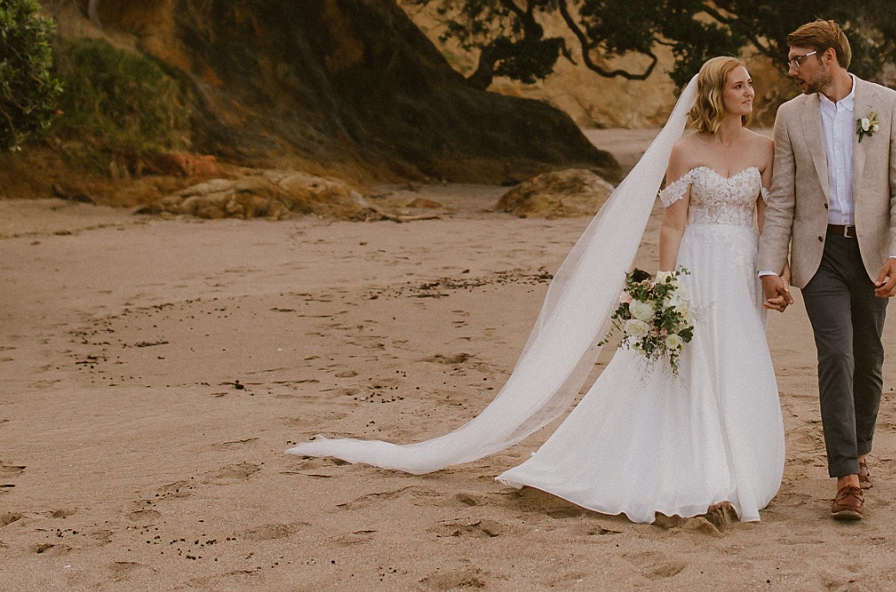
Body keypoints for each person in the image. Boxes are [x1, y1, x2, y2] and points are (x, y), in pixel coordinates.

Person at [289, 56, 786, 527]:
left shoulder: (763, 149)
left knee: (737, 360)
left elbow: (767, 219)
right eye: (739, 85)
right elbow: (673, 226)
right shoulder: (685, 151)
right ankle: (700, 468)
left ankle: (740, 457)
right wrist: (665, 283)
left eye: (748, 84)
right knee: (689, 364)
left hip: (741, 270)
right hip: (697, 267)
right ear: (716, 94)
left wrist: (771, 272)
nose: (750, 91)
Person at [757, 18, 896, 522]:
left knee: (869, 359)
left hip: (872, 252)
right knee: (836, 355)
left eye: (798, 58)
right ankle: (846, 476)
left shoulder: (889, 105)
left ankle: (861, 447)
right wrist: (771, 266)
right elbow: (782, 197)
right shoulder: (790, 116)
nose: (792, 69)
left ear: (828, 56)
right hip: (820, 253)